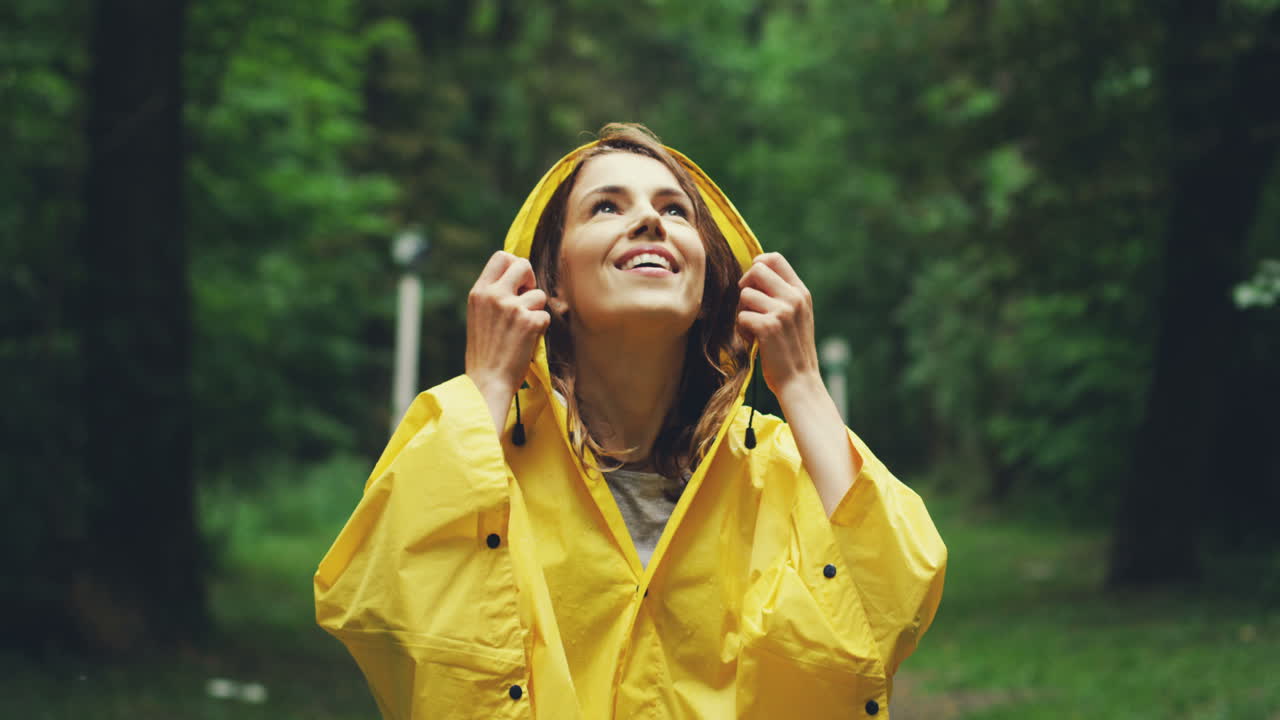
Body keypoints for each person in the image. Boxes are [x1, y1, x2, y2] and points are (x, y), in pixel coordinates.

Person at [314, 124, 946, 719]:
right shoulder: (476, 448)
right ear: (551, 284)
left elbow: (895, 604)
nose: (649, 219)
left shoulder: (779, 465)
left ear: (708, 287)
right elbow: (385, 609)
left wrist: (804, 387)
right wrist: (487, 382)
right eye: (606, 207)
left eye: (675, 211)